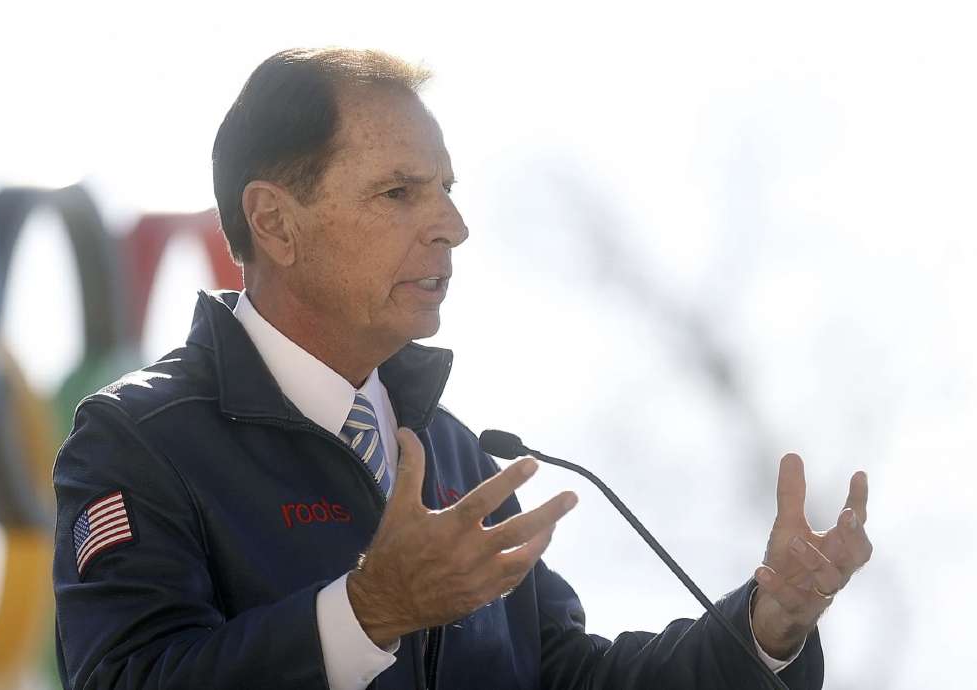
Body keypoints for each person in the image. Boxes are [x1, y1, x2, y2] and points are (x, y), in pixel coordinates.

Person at [52, 47, 872, 690]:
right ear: (275, 220)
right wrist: (367, 613)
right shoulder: (137, 442)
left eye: (446, 188)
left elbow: (569, 679)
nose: (452, 225)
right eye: (399, 193)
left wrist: (768, 627)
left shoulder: (453, 453)